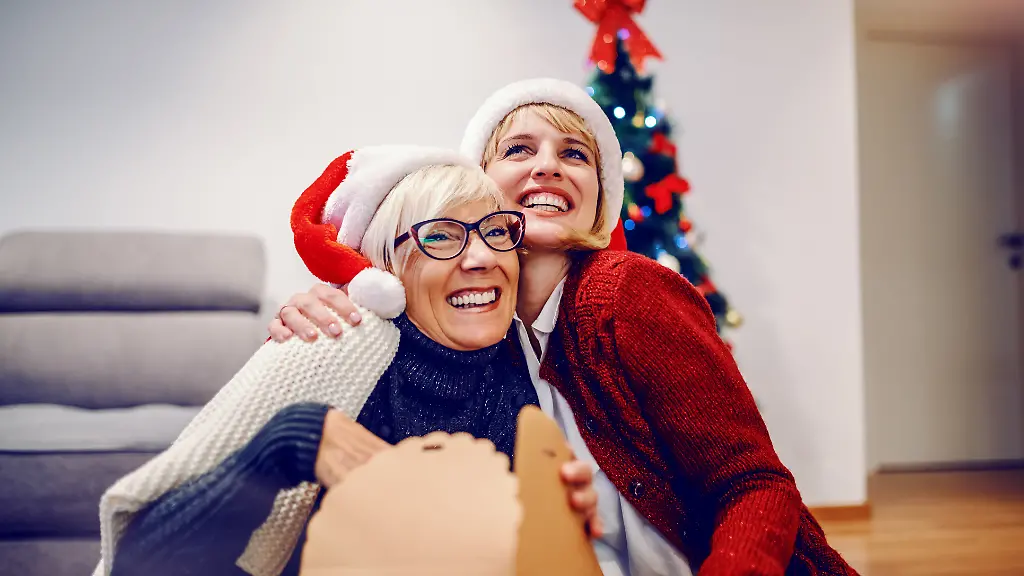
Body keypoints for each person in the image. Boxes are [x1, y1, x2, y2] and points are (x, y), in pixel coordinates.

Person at [270, 79, 856, 575]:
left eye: (576, 155)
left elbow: (754, 483)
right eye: (519, 149)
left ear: (600, 199)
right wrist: (324, 308)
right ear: (476, 188)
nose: (548, 164)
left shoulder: (627, 293)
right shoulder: (474, 332)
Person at [93, 146, 601, 576]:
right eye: (441, 236)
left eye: (495, 230)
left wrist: (557, 527)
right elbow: (140, 561)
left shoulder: (525, 376)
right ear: (385, 271)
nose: (482, 257)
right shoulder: (330, 347)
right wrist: (290, 443)